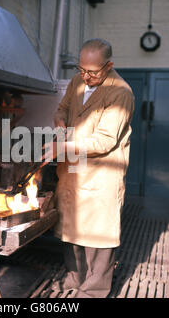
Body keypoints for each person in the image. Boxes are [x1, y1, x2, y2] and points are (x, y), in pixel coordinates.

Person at [47, 38, 135, 298]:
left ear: (109, 66)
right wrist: (60, 119)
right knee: (71, 228)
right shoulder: (78, 82)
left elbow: (105, 140)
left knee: (97, 237)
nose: (86, 76)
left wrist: (62, 148)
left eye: (93, 72)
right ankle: (74, 279)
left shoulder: (121, 93)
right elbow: (62, 108)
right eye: (81, 69)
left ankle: (94, 291)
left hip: (101, 175)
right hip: (74, 170)